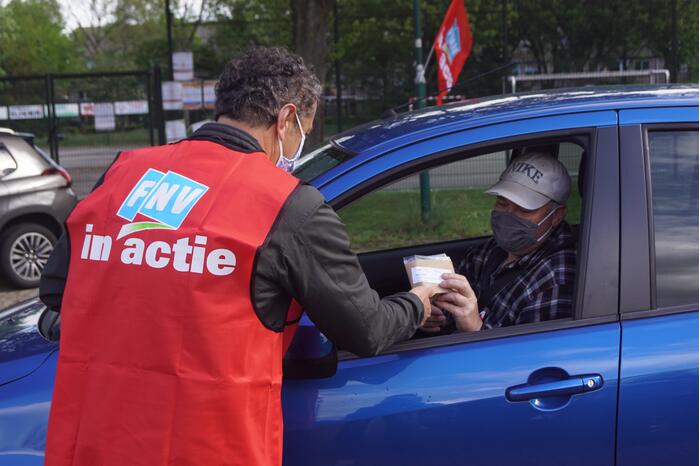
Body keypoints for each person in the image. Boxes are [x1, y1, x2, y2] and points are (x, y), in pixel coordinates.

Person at [39, 47, 438, 466]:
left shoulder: (125, 172)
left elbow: (57, 292)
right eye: (306, 128)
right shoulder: (288, 206)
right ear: (286, 120)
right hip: (211, 447)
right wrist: (419, 301)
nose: (303, 140)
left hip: (99, 444)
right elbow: (367, 330)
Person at [421, 152, 577, 334]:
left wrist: (476, 329)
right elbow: (454, 300)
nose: (509, 214)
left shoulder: (557, 279)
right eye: (502, 203)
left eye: (524, 209)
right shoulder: (492, 249)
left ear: (556, 216)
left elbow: (527, 358)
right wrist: (437, 315)